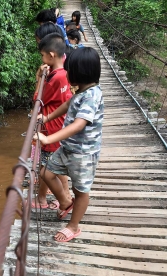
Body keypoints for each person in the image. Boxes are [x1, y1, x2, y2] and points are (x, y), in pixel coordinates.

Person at [33, 47, 103, 242]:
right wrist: (46, 118)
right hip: (67, 148)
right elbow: (67, 105)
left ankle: (73, 226)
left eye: (69, 70)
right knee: (45, 172)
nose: (67, 74)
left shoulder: (91, 96)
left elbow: (79, 124)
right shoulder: (81, 91)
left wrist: (48, 139)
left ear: (80, 73)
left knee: (81, 191)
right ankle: (65, 202)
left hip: (83, 153)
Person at [32, 33, 73, 210]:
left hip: (51, 129)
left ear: (51, 55)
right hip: (60, 125)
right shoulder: (64, 73)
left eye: (42, 55)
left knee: (48, 167)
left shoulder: (54, 78)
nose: (42, 59)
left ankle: (63, 199)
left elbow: (37, 99)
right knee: (50, 166)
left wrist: (39, 77)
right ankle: (54, 197)